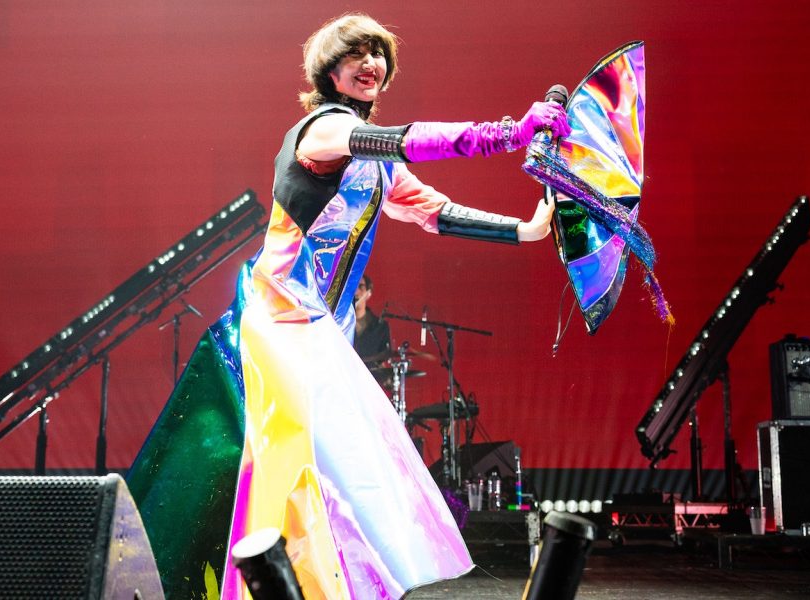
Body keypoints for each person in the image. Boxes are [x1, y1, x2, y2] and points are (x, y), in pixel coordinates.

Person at [222, 13, 569, 600]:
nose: (372, 63)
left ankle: (340, 583)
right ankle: (275, 586)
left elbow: (435, 211)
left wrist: (525, 231)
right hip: (281, 314)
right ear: (330, 71)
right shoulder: (323, 130)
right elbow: (408, 137)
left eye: (379, 54)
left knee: (350, 461)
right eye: (357, 52)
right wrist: (509, 133)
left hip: (321, 329)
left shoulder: (379, 165)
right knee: (299, 450)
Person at [352, 275, 391, 365]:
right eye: (353, 286)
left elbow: (382, 360)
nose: (356, 292)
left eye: (361, 287)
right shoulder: (339, 324)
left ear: (368, 293)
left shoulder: (380, 327)